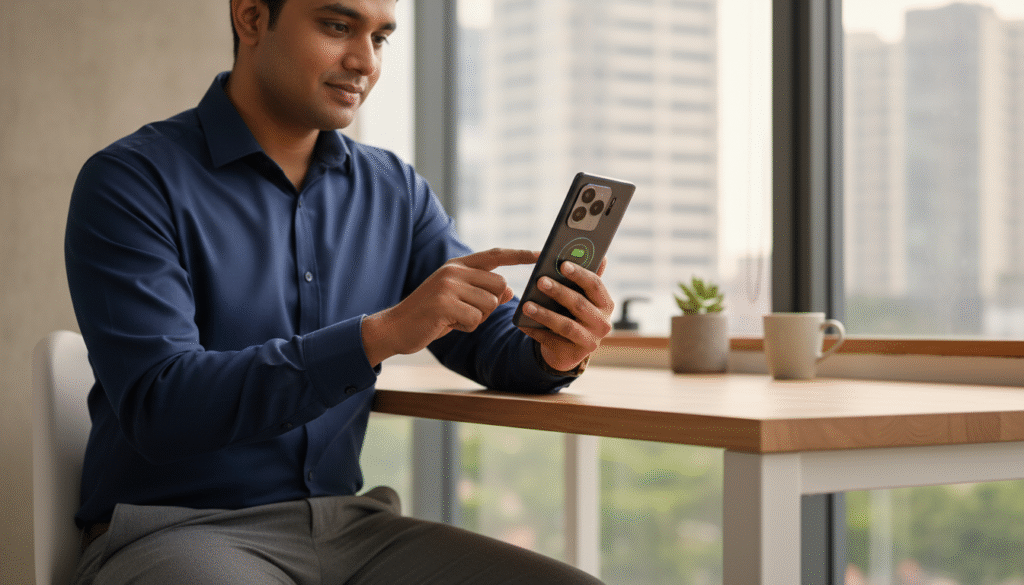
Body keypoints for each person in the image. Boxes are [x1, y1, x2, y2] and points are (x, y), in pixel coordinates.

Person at [64, 0, 614, 583]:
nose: (364, 62)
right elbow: (161, 405)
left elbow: (482, 336)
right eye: (337, 26)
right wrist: (377, 336)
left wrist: (550, 350)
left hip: (350, 529)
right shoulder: (131, 182)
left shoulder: (395, 191)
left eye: (379, 38)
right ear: (251, 17)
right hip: (178, 531)